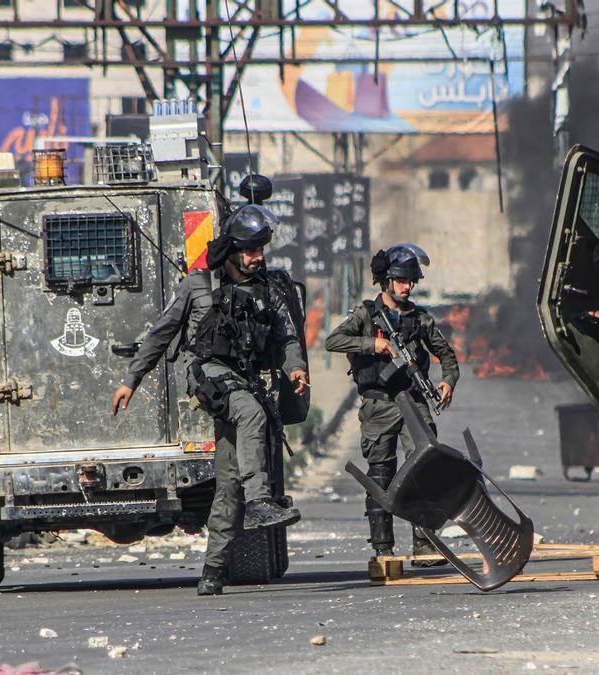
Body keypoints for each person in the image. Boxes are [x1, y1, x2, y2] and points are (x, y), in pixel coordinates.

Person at [110, 204, 309, 595]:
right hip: (210, 378)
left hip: (250, 379)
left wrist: (297, 368)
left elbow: (287, 337)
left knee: (229, 482)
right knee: (250, 415)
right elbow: (161, 334)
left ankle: (212, 571)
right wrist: (130, 380)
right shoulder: (199, 285)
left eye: (262, 250)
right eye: (251, 251)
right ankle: (260, 502)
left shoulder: (268, 288)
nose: (259, 258)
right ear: (233, 250)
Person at [324, 243, 459, 562]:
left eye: (411, 281)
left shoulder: (421, 319)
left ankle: (425, 543)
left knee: (424, 468)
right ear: (387, 280)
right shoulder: (366, 315)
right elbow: (334, 340)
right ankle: (382, 548)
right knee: (381, 474)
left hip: (414, 402)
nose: (407, 286)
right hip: (379, 404)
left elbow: (447, 355)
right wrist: (374, 344)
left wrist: (447, 380)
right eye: (401, 280)